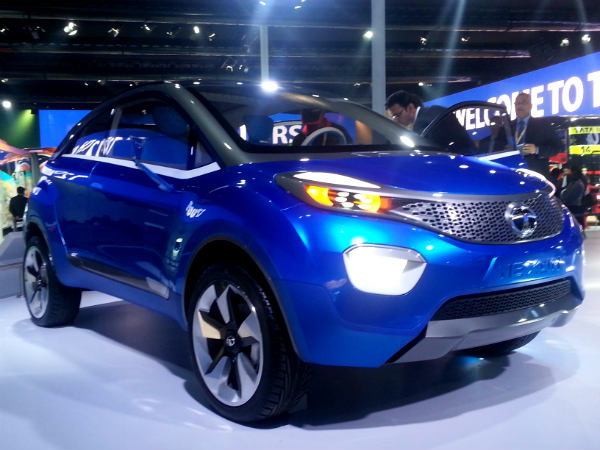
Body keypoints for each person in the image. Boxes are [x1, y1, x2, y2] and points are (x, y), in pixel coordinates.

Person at [512, 92, 563, 177]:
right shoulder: (508, 126)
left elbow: (558, 147)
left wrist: (537, 150)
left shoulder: (543, 125)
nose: (520, 105)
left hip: (535, 175)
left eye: (524, 102)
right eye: (517, 103)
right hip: (512, 174)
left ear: (531, 106)